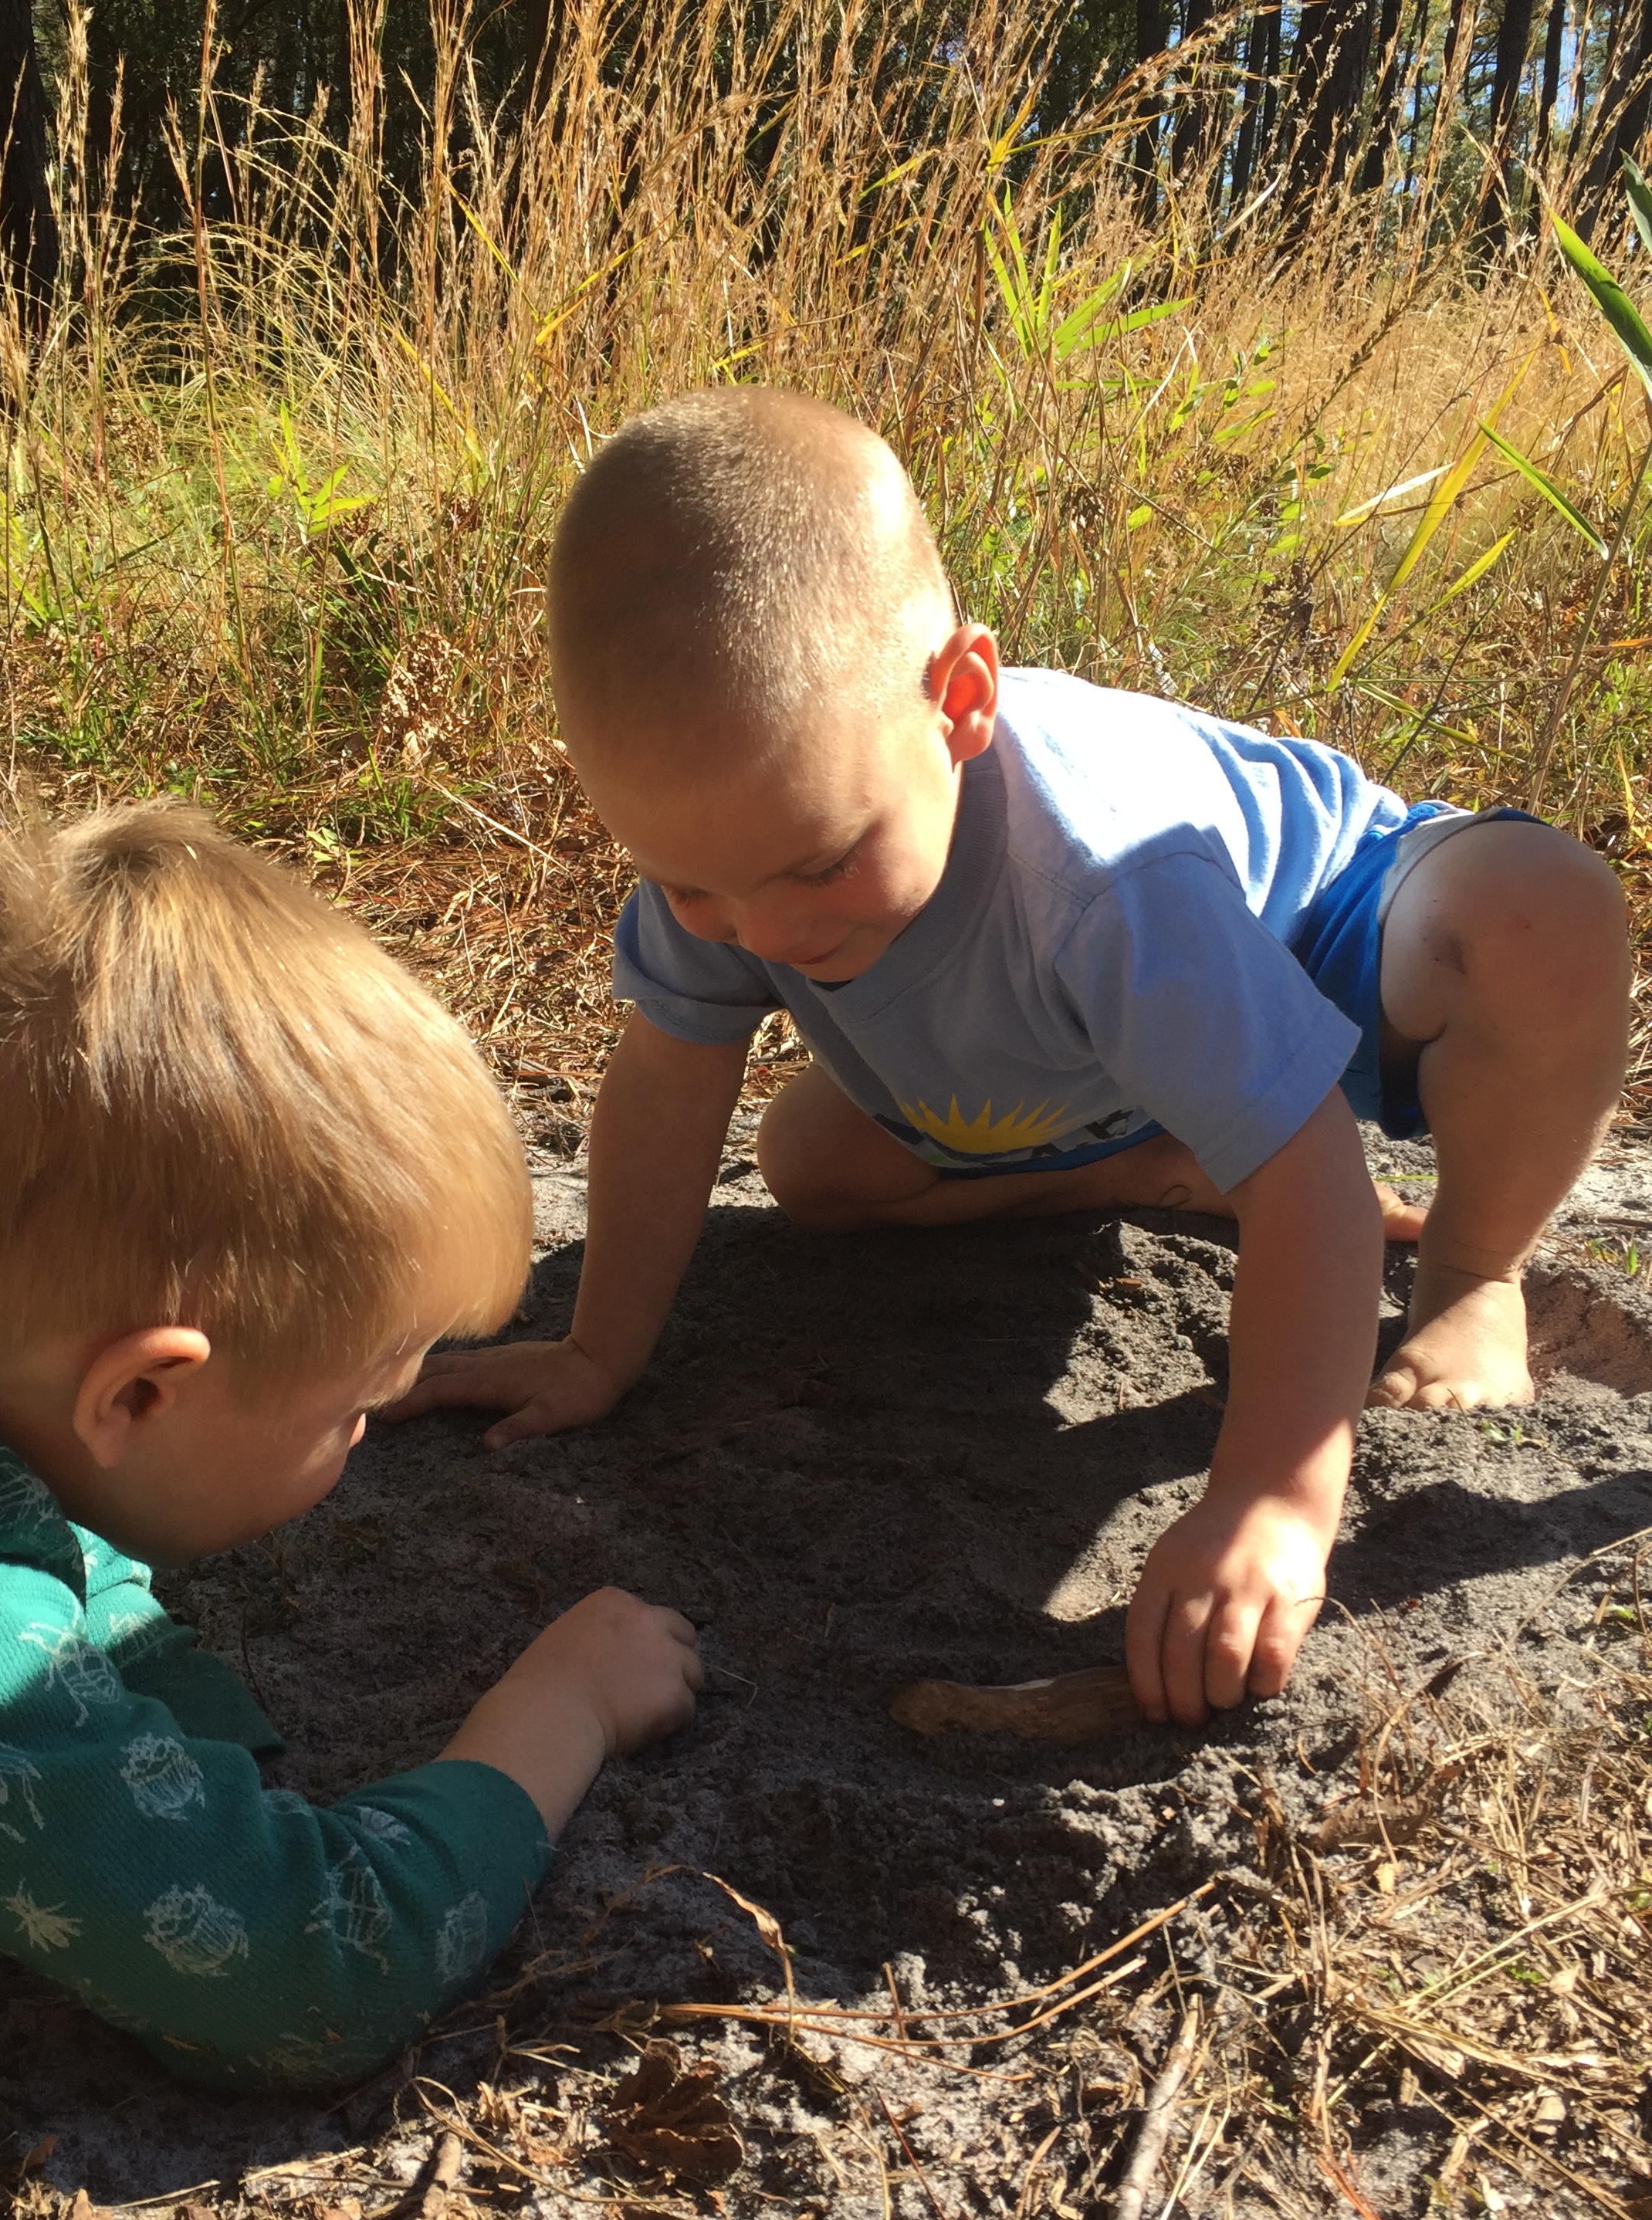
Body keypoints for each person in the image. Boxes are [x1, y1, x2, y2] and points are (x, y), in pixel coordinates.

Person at [396, 386, 1630, 1728]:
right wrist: (598, 1350)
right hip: (1082, 1069)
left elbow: (1313, 1182)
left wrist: (1272, 1498)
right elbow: (664, 1076)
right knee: (809, 1161)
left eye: (819, 862)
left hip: (1310, 945)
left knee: (1542, 917)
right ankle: (1158, 1154)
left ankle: (1471, 1267)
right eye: (693, 887)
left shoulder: (1106, 874)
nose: (771, 934)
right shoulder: (743, 857)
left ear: (961, 700)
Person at [0, 806, 700, 2088]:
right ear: (142, 1395)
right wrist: (559, 1709)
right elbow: (311, 1971)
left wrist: (186, 1709)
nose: (367, 1438)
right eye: (354, 1408)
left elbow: (37, 1508)